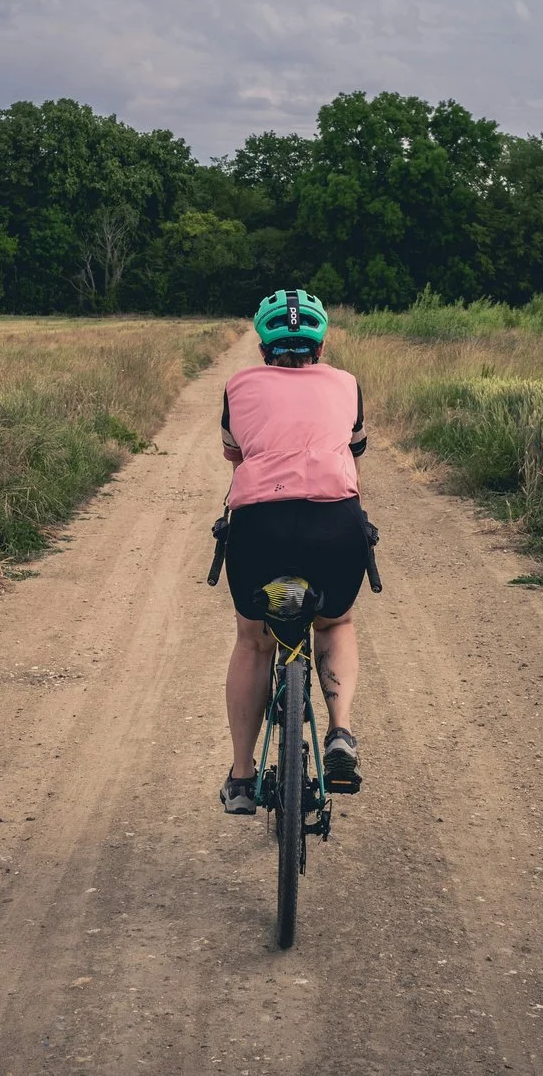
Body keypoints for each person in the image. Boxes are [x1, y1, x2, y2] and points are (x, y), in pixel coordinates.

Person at [216, 288, 373, 815]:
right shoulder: (347, 386)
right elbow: (355, 450)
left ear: (262, 348)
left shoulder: (238, 386)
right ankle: (341, 733)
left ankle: (241, 778)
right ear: (322, 346)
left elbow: (232, 452)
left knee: (254, 642)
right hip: (335, 525)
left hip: (260, 526)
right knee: (334, 624)